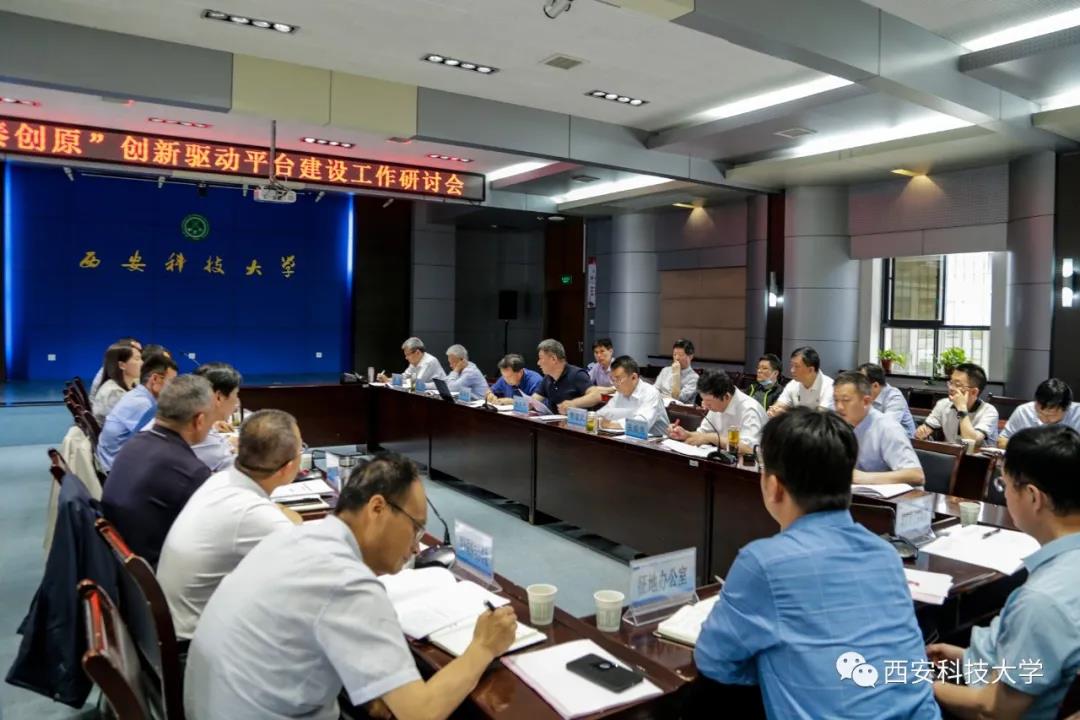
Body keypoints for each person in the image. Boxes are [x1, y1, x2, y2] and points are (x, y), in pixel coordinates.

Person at [183, 452, 518, 720]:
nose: (417, 547)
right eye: (415, 528)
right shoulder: (348, 582)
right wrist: (483, 647)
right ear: (377, 508)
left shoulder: (299, 538)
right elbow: (420, 712)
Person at [694, 408, 940, 719]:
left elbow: (715, 660)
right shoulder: (886, 554)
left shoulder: (764, 563)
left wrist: (774, 667)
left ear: (773, 486)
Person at [930, 425, 1080, 719]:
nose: (1006, 495)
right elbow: (1039, 653)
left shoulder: (1041, 600)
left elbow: (995, 707)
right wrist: (968, 657)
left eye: (1005, 485)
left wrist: (921, 684)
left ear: (1033, 497)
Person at [157, 409, 303, 640]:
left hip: (175, 623)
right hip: (195, 642)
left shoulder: (220, 480)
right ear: (289, 466)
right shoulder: (256, 516)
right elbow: (312, 576)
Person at [101, 375, 214, 565]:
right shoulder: (191, 471)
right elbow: (210, 534)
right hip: (158, 568)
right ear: (200, 420)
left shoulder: (135, 443)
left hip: (121, 560)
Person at [833, 372, 924, 486]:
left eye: (846, 400)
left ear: (866, 401)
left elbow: (916, 475)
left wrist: (864, 477)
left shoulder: (888, 428)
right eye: (836, 400)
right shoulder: (839, 426)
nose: (839, 407)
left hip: (896, 497)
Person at [96, 348, 178, 472]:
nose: (174, 388)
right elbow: (158, 441)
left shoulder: (139, 395)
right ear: (155, 379)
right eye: (171, 381)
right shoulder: (141, 404)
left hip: (113, 459)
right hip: (116, 468)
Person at [668, 370, 765, 455]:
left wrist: (713, 438)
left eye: (708, 402)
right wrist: (686, 434)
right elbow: (702, 435)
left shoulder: (750, 410)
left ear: (726, 396)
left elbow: (749, 450)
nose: (705, 406)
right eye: (703, 400)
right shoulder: (717, 405)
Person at [174, 362, 243, 473]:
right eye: (236, 394)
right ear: (219, 397)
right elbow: (244, 472)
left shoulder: (183, 417)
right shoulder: (202, 437)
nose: (236, 401)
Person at [915, 362, 999, 446]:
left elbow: (971, 442)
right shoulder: (943, 404)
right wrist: (922, 432)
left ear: (974, 392)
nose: (951, 388)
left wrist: (962, 409)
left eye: (957, 385)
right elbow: (925, 430)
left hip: (977, 454)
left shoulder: (989, 411)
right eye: (951, 383)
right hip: (950, 453)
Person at [596, 356, 669, 436]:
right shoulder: (620, 392)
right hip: (627, 439)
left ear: (634, 377)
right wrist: (598, 419)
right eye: (613, 380)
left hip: (656, 441)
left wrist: (612, 424)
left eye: (618, 379)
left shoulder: (651, 393)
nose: (615, 384)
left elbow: (641, 425)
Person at [997, 378, 1080, 448]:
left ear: (1067, 408)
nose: (1045, 419)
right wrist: (1031, 449)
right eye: (1040, 413)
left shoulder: (1077, 414)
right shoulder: (1024, 411)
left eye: (1051, 415)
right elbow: (1002, 440)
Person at [533, 338, 602, 414]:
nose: (538, 363)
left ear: (553, 359)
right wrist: (527, 404)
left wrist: (573, 403)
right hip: (554, 420)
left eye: (541, 358)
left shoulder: (577, 374)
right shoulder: (548, 378)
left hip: (575, 420)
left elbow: (596, 396)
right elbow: (534, 400)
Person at [768, 346, 835, 416]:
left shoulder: (829, 386)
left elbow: (819, 418)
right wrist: (775, 410)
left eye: (796, 366)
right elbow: (780, 404)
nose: (792, 370)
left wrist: (787, 414)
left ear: (811, 370)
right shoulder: (793, 384)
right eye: (792, 366)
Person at [858, 362, 915, 438]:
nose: (858, 388)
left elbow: (886, 427)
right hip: (876, 438)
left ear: (875, 386)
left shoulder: (895, 397)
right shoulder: (864, 396)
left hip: (903, 441)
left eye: (861, 384)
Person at [90, 341, 143, 423]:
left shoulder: (125, 385)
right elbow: (135, 423)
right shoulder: (114, 393)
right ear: (122, 365)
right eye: (137, 359)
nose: (142, 363)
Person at [377, 337, 445, 384]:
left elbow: (415, 383)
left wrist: (389, 380)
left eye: (407, 355)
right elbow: (405, 377)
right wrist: (388, 379)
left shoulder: (429, 361)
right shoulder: (414, 362)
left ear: (417, 352)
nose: (406, 358)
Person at [653, 338, 699, 404]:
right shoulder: (665, 370)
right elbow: (654, 391)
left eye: (680, 355)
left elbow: (677, 398)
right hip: (659, 405)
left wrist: (676, 374)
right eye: (674, 354)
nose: (677, 358)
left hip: (679, 409)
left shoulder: (694, 378)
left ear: (690, 357)